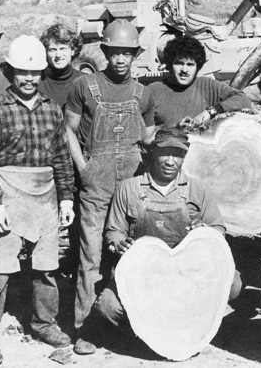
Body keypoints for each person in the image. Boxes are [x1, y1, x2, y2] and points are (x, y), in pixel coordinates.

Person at [0, 36, 76, 367]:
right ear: (10, 71)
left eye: (35, 73)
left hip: (45, 196)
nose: (29, 79)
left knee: (46, 268)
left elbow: (62, 158)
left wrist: (66, 199)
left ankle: (44, 323)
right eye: (22, 72)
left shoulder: (51, 111)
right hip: (8, 195)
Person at [93, 128, 242, 340]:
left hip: (186, 274)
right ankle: (145, 335)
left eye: (178, 155)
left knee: (233, 283)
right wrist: (118, 244)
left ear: (185, 157)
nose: (170, 161)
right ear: (153, 153)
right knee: (107, 306)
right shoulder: (129, 188)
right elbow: (114, 231)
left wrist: (205, 232)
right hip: (144, 275)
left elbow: (218, 229)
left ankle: (189, 325)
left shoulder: (198, 189)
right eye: (165, 153)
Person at [65, 19, 156, 355]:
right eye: (115, 52)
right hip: (96, 181)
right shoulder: (85, 86)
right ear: (105, 52)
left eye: (127, 53)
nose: (120, 59)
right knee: (90, 255)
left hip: (131, 183)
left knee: (131, 251)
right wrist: (84, 169)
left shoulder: (142, 93)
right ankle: (85, 329)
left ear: (135, 55)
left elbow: (148, 137)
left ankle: (129, 322)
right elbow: (68, 131)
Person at [149, 34, 252, 128]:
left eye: (190, 65)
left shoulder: (206, 85)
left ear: (198, 67)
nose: (184, 70)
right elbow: (143, 135)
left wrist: (210, 112)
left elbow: (242, 99)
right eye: (179, 63)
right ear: (170, 65)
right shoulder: (153, 91)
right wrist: (176, 129)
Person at [39, 23, 85, 108]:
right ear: (46, 53)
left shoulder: (84, 81)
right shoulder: (38, 80)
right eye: (52, 50)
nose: (58, 55)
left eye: (63, 49)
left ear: (73, 50)